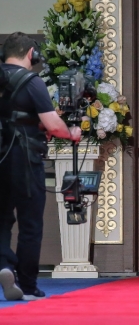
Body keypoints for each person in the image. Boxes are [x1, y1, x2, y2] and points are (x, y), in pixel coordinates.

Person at [0, 32, 82, 301]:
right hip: (24, 158)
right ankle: (28, 284)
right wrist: (71, 132)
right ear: (30, 54)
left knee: (1, 220)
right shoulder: (31, 82)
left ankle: (4, 265)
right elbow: (54, 125)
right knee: (30, 223)